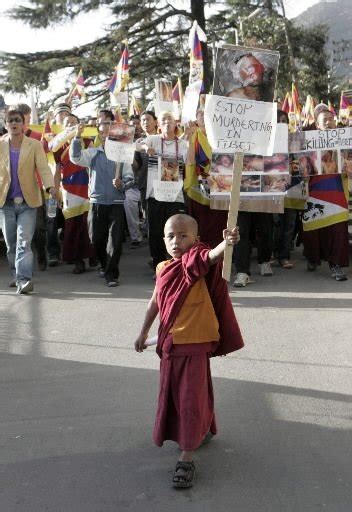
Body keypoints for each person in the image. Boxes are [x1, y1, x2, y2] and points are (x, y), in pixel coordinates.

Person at [134, 214, 244, 488]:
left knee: (189, 398)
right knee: (179, 394)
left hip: (194, 343)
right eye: (170, 236)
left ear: (195, 239)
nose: (176, 241)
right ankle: (201, 430)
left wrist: (225, 243)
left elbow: (210, 258)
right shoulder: (163, 268)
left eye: (183, 236)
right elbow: (155, 301)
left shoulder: (194, 262)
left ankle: (187, 457)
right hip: (171, 345)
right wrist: (144, 331)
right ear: (163, 239)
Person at [70, 118, 134, 287]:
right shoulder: (93, 153)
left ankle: (112, 274)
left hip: (116, 203)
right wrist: (77, 137)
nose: (106, 135)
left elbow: (130, 178)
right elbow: (75, 157)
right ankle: (105, 265)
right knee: (96, 239)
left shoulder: (123, 156)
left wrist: (123, 184)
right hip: (97, 203)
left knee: (115, 240)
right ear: (100, 134)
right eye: (103, 132)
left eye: (109, 132)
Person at [0, 109, 55, 294]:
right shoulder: (0, 145)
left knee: (24, 241)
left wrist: (50, 187)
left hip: (28, 202)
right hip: (5, 203)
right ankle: (16, 275)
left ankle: (24, 280)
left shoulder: (34, 145)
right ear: (5, 124)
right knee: (11, 244)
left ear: (23, 124)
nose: (14, 124)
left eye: (17, 120)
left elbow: (44, 168)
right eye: (10, 121)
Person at [136, 111, 193, 270]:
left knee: (178, 231)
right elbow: (136, 145)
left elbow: (189, 161)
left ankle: (178, 266)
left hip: (175, 196)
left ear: (176, 124)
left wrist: (190, 137)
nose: (167, 122)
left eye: (170, 119)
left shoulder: (182, 144)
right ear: (159, 125)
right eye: (163, 120)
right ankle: (159, 267)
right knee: (155, 233)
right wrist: (146, 147)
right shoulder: (153, 140)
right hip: (155, 195)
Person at [302, 104, 350, 281]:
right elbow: (302, 165)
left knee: (338, 230)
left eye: (331, 119)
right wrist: (304, 172)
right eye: (325, 120)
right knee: (313, 230)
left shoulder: (345, 141)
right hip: (315, 191)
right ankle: (313, 258)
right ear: (317, 125)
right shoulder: (308, 143)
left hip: (337, 191)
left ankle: (335, 265)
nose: (329, 123)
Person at [53, 114, 94, 273]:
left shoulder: (87, 142)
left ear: (79, 126)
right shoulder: (59, 147)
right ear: (62, 127)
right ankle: (77, 260)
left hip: (87, 187)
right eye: (67, 123)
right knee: (72, 226)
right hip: (69, 190)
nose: (70, 125)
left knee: (87, 224)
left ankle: (92, 255)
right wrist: (56, 190)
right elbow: (57, 171)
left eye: (73, 123)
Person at [12, 103, 50, 271]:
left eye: (24, 119)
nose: (21, 122)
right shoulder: (6, 139)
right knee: (13, 232)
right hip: (11, 192)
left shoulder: (37, 137)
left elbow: (44, 164)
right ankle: (19, 268)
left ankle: (42, 255)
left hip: (35, 189)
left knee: (39, 227)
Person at [184, 108, 229, 248]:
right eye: (200, 114)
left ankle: (220, 259)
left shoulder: (221, 136)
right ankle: (200, 258)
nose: (203, 116)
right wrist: (190, 138)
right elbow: (190, 162)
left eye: (207, 113)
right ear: (196, 119)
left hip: (220, 186)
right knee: (201, 227)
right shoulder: (193, 135)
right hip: (198, 187)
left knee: (218, 226)